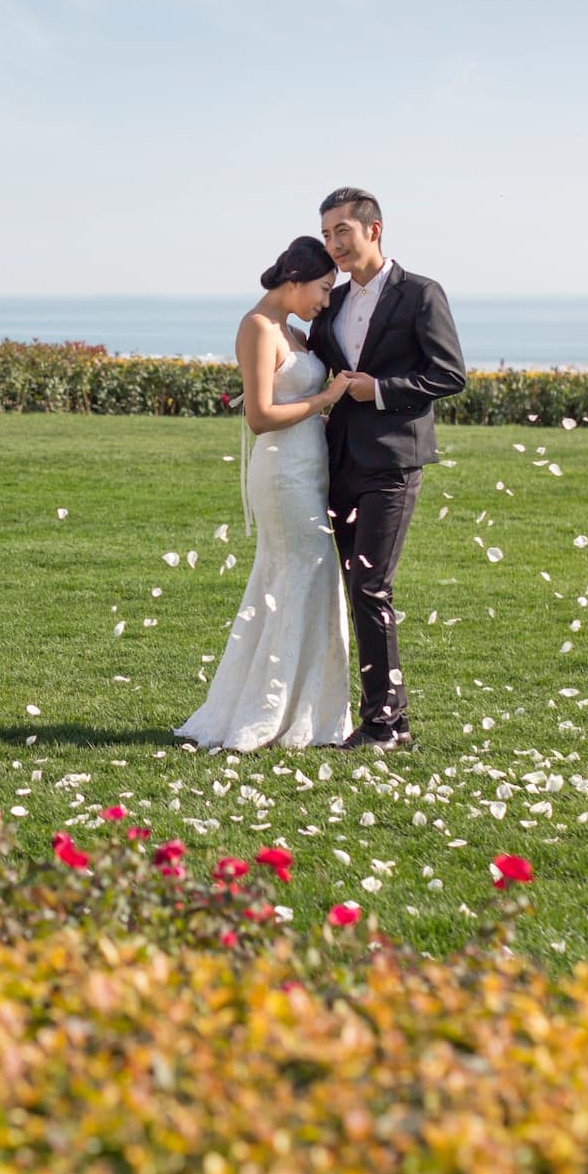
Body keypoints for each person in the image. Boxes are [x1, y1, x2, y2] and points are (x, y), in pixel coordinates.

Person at [177, 237, 354, 752]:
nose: (325, 301)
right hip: (283, 476)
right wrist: (324, 399)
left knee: (307, 579)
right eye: (322, 289)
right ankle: (275, 708)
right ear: (295, 281)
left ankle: (308, 708)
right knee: (297, 575)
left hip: (309, 468)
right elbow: (258, 417)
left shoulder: (293, 330)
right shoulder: (257, 328)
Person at [306, 187, 466, 749]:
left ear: (374, 230)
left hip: (394, 462)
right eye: (326, 234)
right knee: (356, 587)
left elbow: (449, 375)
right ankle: (388, 721)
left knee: (371, 585)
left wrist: (379, 390)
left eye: (341, 232)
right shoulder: (334, 300)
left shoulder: (421, 294)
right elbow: (315, 359)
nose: (333, 244)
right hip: (338, 462)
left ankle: (382, 724)